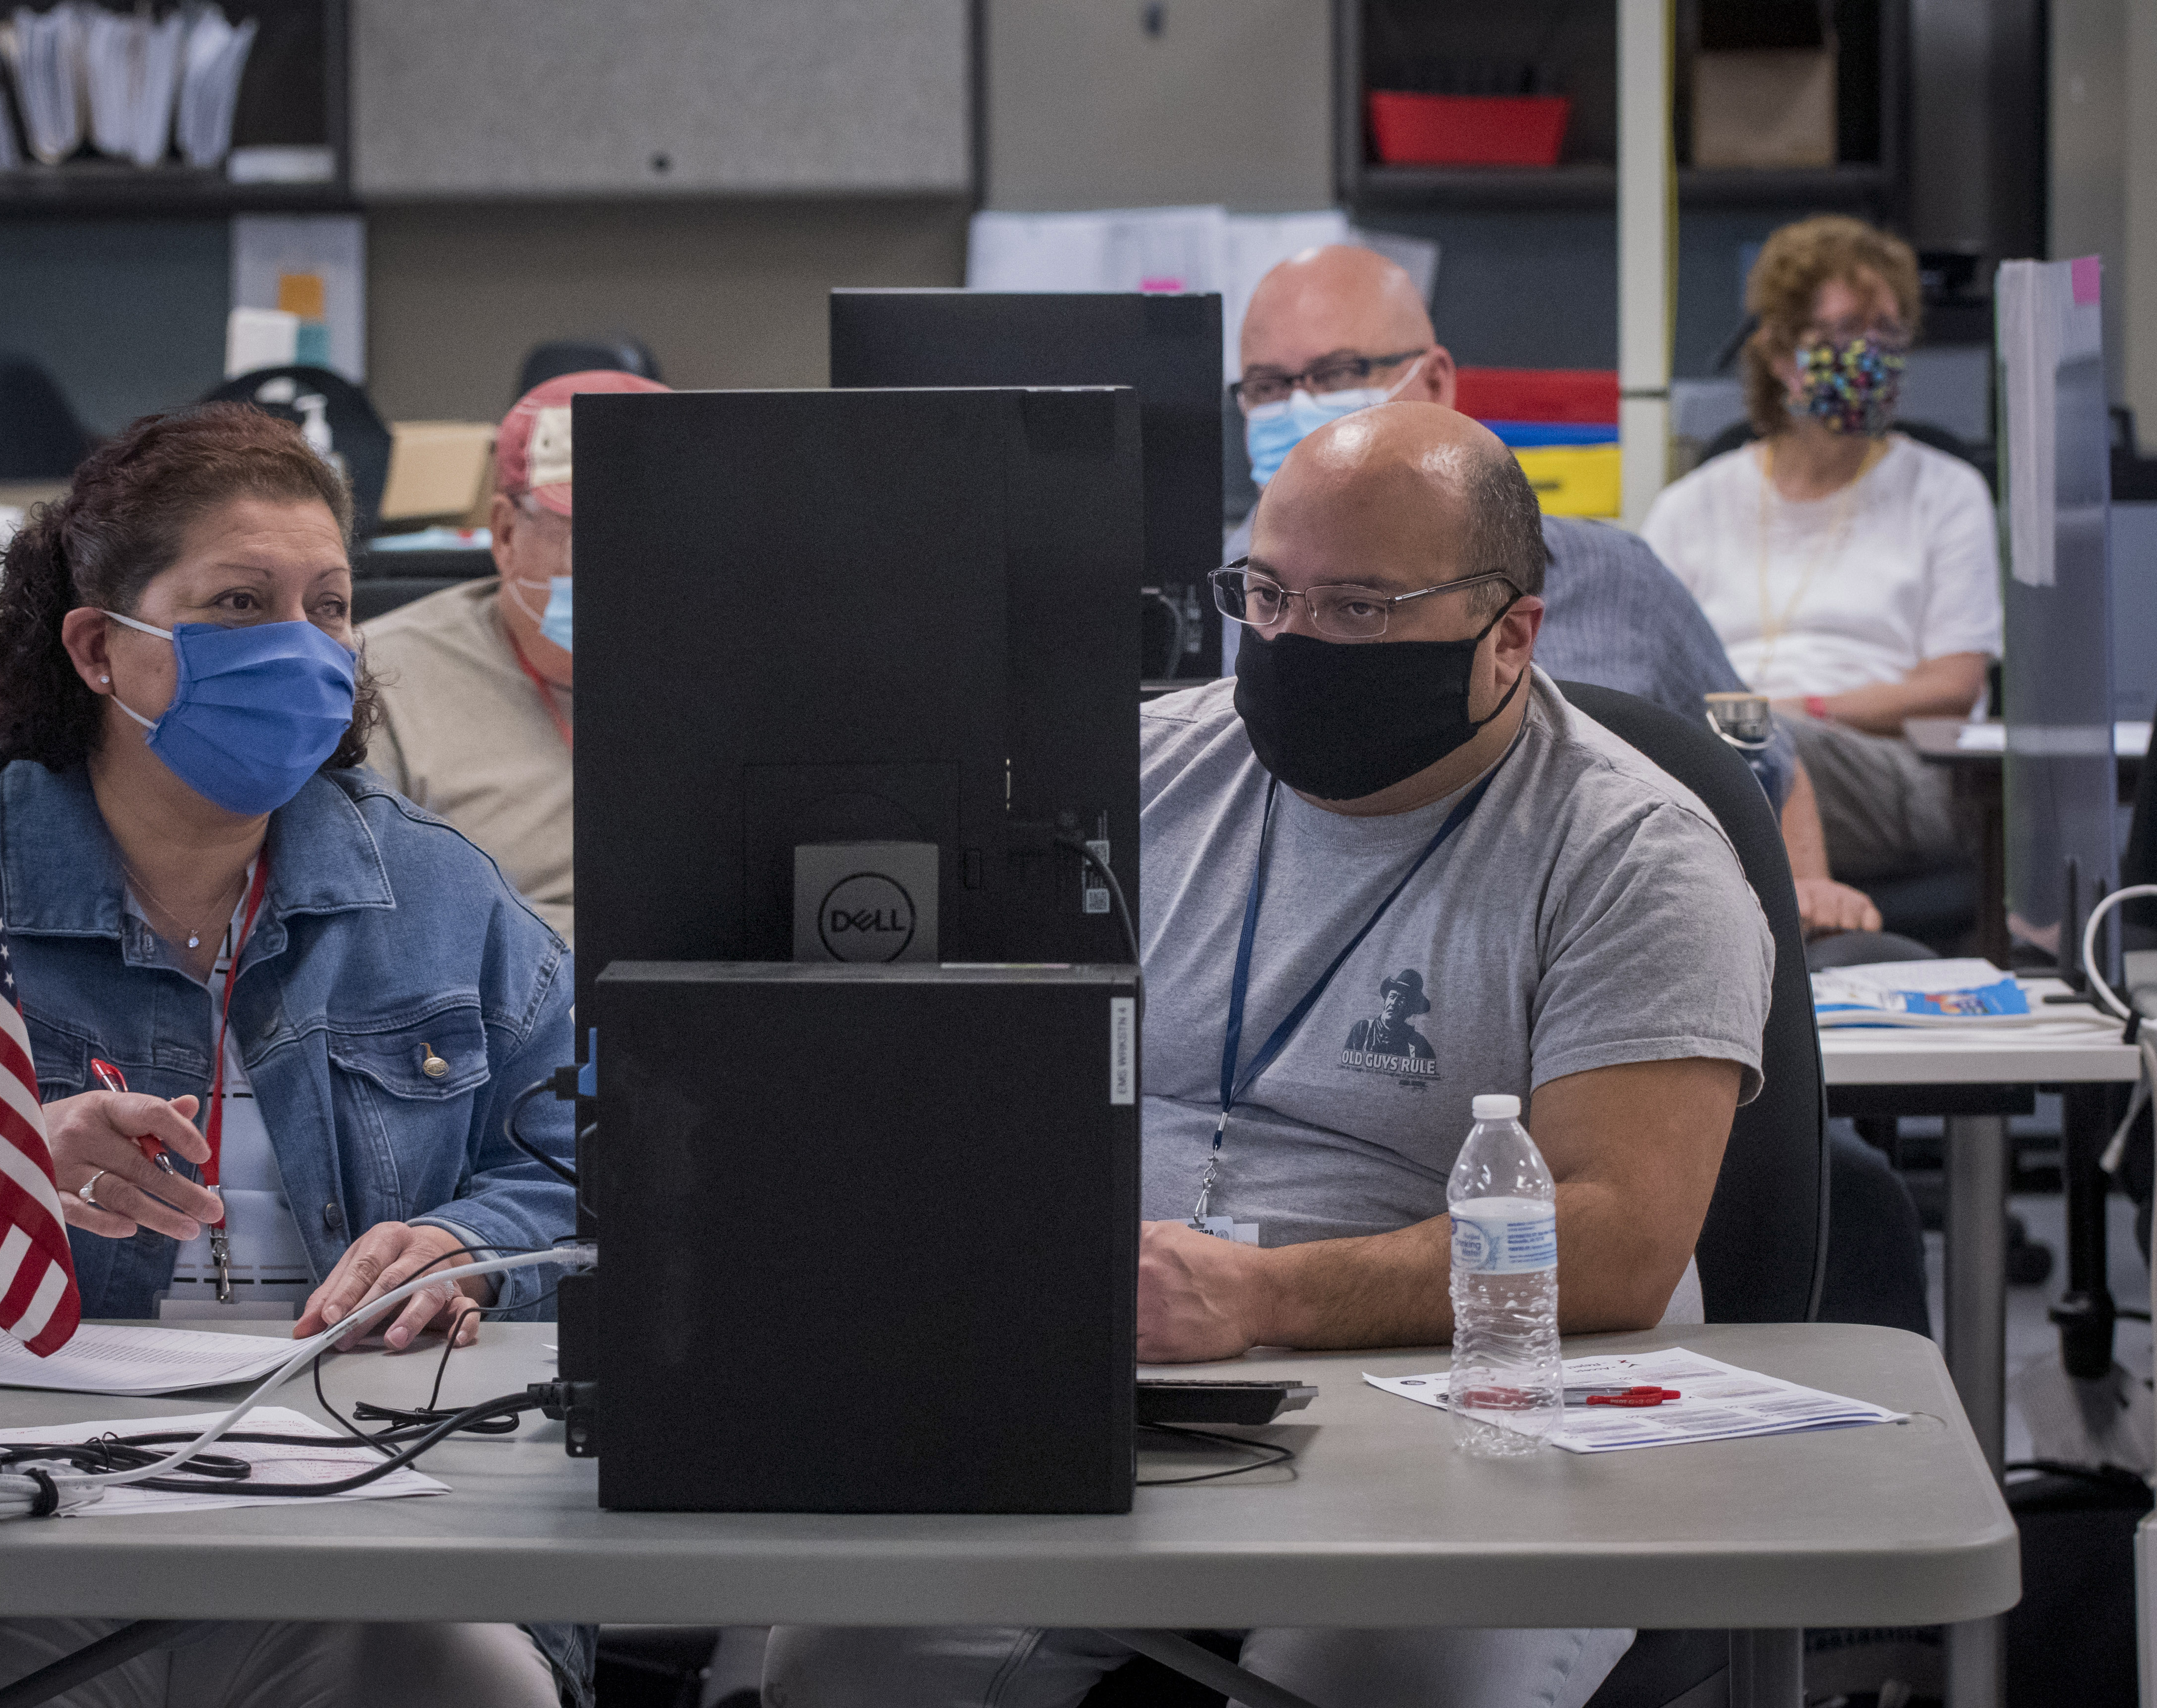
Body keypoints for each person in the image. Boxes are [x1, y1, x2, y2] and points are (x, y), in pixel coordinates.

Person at [765, 403, 1774, 1708]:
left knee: (1381, 1671)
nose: (1292, 642)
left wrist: (1263, 1295)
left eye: (1357, 609)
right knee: (850, 1656)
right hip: (1125, 1384)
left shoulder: (1632, 851)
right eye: (1266, 594)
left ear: (1508, 636)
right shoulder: (1141, 774)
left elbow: (1621, 1236)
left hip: (1483, 1409)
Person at [0, 403, 584, 1708]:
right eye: (239, 601)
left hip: (359, 1514)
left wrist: (469, 1240)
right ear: (102, 647)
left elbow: (587, 1158)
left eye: (327, 605)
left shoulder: (427, 888)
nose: (304, 646)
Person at [1229, 243, 1884, 941]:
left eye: (1337, 373)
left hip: (1575, 941)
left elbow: (1759, 753)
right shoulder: (1205, 600)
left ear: (1434, 382)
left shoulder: (1617, 579)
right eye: (1268, 387)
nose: (1299, 406)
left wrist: (1803, 899)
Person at [1641, 216, 2000, 890]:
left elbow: (1953, 688)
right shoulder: (1692, 505)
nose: (1868, 356)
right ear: (1780, 355)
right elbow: (1647, 669)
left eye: (1886, 335)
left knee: (1744, 748)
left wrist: (1803, 710)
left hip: (1889, 766)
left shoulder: (1945, 492)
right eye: (1841, 335)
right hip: (1725, 743)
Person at [362, 369, 670, 942]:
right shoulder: (382, 677)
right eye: (593, 534)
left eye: (659, 531)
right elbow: (371, 925)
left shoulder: (752, 669)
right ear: (504, 534)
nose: (629, 564)